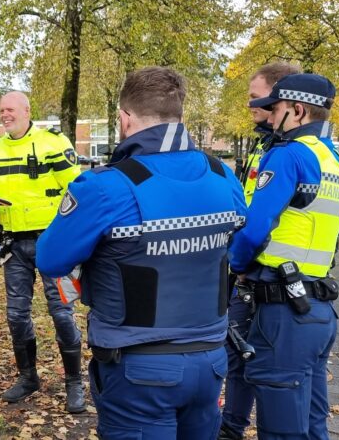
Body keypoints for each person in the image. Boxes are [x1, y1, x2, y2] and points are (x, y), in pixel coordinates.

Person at [37, 66, 247, 439]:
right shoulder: (222, 176)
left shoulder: (103, 187)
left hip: (141, 368)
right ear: (179, 115)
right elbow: (238, 241)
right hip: (210, 361)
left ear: (125, 118)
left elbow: (50, 259)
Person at [231, 73, 339, 440]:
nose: (271, 118)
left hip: (283, 309)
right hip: (319, 309)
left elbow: (254, 229)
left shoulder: (287, 155)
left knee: (282, 427)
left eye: (278, 110)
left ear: (297, 110)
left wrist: (236, 265)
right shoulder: (332, 157)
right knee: (314, 421)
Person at [0, 91, 85, 412]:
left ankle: (74, 383)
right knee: (15, 314)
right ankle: (28, 377)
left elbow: (79, 188)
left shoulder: (54, 143)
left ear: (27, 110)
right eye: (2, 111)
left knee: (61, 312)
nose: (5, 115)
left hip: (52, 241)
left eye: (10, 109)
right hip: (13, 244)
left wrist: (67, 233)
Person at [219, 61, 300, 440]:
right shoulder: (265, 143)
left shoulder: (288, 151)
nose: (250, 105)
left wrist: (237, 259)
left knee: (263, 366)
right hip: (249, 270)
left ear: (279, 97)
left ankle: (235, 427)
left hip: (267, 273)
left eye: (256, 97)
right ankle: (230, 426)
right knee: (235, 351)